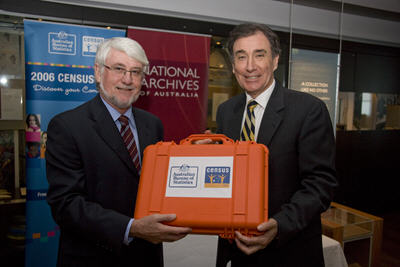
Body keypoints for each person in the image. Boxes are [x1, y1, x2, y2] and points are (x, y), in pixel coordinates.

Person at [46, 37, 191, 267]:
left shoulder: (152, 124)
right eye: (119, 69)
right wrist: (131, 228)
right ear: (97, 71)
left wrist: (192, 159)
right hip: (94, 257)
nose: (128, 80)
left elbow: (158, 183)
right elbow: (66, 204)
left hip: (146, 257)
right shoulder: (67, 126)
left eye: (136, 72)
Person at [213, 23, 338, 266]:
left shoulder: (308, 110)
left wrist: (280, 225)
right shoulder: (226, 112)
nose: (250, 66)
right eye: (241, 57)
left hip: (289, 251)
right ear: (233, 65)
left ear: (275, 60)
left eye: (260, 54)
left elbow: (321, 184)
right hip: (235, 249)